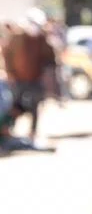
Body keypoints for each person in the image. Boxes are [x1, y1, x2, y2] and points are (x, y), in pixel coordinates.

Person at [1, 9, 57, 141]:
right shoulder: (17, 37)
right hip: (18, 78)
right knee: (14, 105)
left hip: (35, 78)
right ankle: (7, 130)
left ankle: (33, 131)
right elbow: (7, 55)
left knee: (35, 105)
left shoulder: (43, 39)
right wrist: (10, 73)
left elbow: (50, 58)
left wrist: (47, 74)